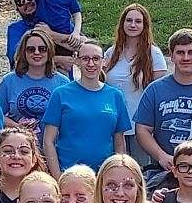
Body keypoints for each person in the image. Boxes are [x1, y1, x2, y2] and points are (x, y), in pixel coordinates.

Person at [132, 29, 192, 180]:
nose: (186, 57)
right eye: (180, 52)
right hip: (164, 169)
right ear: (171, 56)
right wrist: (161, 156)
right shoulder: (155, 90)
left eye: (191, 52)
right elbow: (142, 129)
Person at [41, 39, 130, 175]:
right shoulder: (61, 94)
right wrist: (57, 176)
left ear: (103, 61)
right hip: (69, 173)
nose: (91, 64)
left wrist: (118, 173)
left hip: (103, 175)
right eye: (85, 58)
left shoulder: (115, 96)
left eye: (96, 59)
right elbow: (48, 141)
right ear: (77, 61)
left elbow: (119, 143)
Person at [0, 27, 69, 134]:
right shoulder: (9, 81)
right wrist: (16, 126)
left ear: (49, 52)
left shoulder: (63, 82)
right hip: (19, 145)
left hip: (52, 147)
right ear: (23, 52)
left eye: (42, 49)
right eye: (31, 49)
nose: (36, 52)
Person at [102, 3, 164, 117]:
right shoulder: (111, 52)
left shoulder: (155, 54)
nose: (133, 25)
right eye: (129, 20)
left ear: (145, 25)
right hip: (111, 122)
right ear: (122, 23)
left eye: (138, 21)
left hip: (139, 125)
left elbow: (159, 95)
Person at [0, 126, 42, 203]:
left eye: (24, 152)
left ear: (34, 159)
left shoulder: (44, 194)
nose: (16, 156)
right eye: (8, 151)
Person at [5, 0, 40, 66]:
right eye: (21, 2)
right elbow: (15, 57)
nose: (26, 2)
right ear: (17, 9)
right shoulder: (14, 29)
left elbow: (73, 44)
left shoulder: (55, 21)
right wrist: (59, 59)